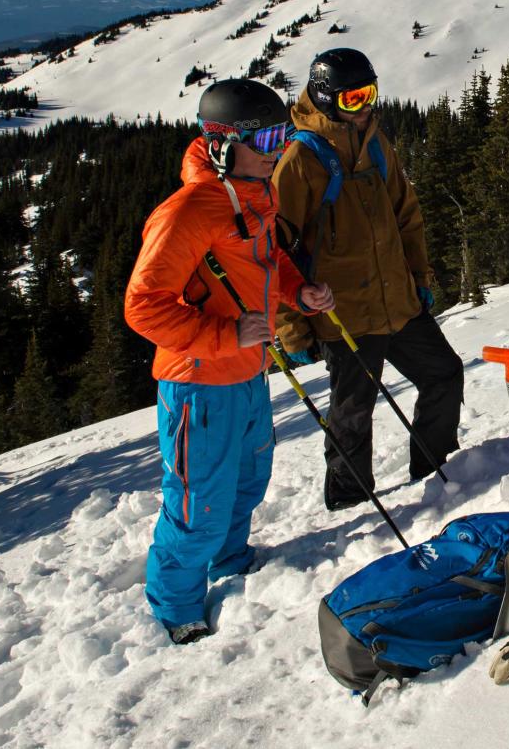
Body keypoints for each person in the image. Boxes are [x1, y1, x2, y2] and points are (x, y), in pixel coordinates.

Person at [125, 78, 334, 645]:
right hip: (199, 381)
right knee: (199, 501)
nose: (277, 149)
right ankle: (176, 606)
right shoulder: (191, 209)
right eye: (264, 137)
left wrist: (299, 293)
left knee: (248, 479)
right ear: (221, 143)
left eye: (283, 135)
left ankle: (230, 559)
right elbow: (143, 308)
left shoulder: (255, 192)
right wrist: (226, 334)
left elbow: (265, 264)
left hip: (246, 373)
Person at [271, 48, 464, 511]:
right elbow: (271, 250)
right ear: (325, 98)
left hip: (397, 301)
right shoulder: (300, 160)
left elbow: (407, 217)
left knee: (444, 375)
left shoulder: (378, 145)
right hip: (344, 314)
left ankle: (434, 475)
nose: (365, 108)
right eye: (353, 99)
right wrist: (290, 324)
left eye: (369, 95)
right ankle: (350, 501)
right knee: (352, 414)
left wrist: (419, 275)